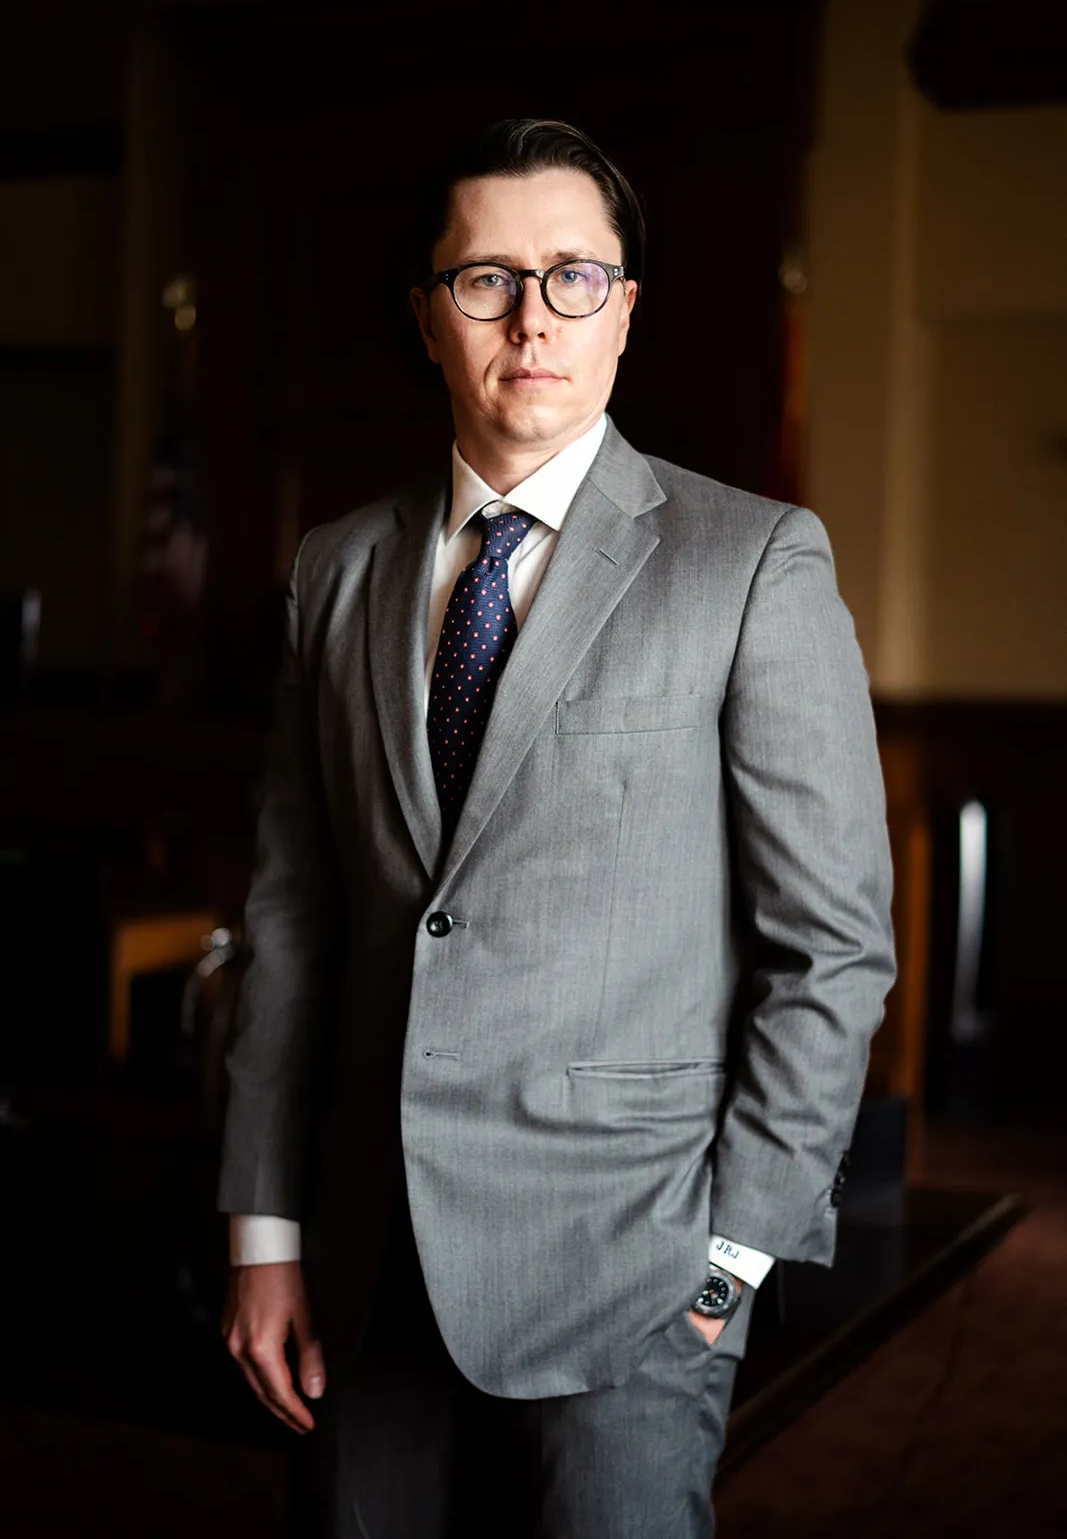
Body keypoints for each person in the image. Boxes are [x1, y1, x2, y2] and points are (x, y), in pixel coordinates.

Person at [219, 117, 896, 1538]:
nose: (531, 316)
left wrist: (731, 1268)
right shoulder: (330, 573)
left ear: (625, 310)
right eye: (485, 280)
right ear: (426, 317)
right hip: (366, 1257)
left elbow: (829, 952)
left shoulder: (751, 560)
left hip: (637, 1275)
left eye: (573, 276)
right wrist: (266, 1234)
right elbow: (292, 928)